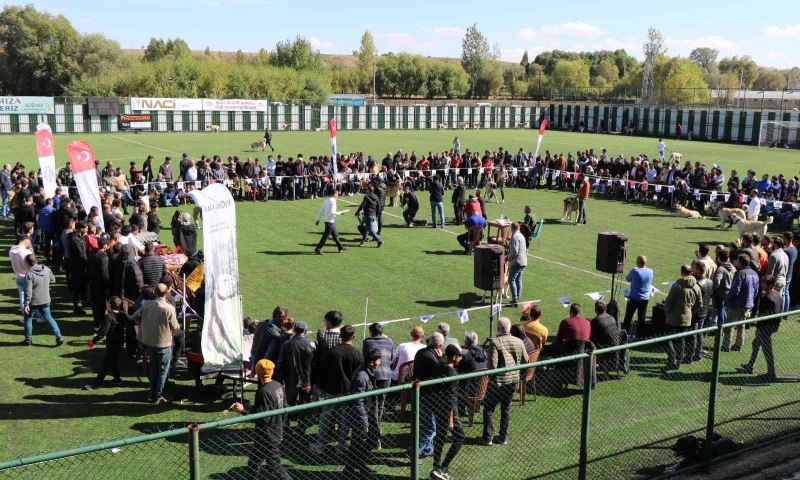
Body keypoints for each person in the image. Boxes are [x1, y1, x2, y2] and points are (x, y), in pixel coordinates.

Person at [229, 359, 291, 480]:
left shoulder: (263, 391)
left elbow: (262, 417)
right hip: (275, 429)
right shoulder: (278, 385)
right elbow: (284, 407)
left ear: (258, 372)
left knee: (274, 466)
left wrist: (243, 410)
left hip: (268, 435)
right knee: (254, 461)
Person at [311, 325, 363, 456]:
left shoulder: (332, 352)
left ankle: (320, 445)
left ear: (340, 335)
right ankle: (342, 447)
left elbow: (323, 371)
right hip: (348, 392)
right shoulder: (357, 354)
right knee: (345, 419)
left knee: (325, 417)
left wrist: (320, 386)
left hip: (332, 390)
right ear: (353, 337)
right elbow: (358, 375)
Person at [480, 317, 526, 446]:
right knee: (506, 409)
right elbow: (526, 360)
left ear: (498, 329)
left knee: (488, 408)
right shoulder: (519, 341)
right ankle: (503, 437)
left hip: (498, 382)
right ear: (509, 328)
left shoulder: (495, 342)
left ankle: (487, 437)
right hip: (513, 381)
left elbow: (492, 366)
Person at [132, 283, 179, 403]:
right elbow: (175, 327)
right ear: (167, 292)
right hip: (164, 344)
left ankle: (152, 395)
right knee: (162, 371)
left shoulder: (146, 304)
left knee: (154, 369)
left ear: (155, 291)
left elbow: (135, 317)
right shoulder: (169, 308)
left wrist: (144, 328)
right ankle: (158, 396)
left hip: (150, 342)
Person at [344, 347, 382, 476]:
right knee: (359, 443)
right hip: (360, 416)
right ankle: (351, 468)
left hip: (366, 413)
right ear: (371, 362)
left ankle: (356, 466)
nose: (380, 362)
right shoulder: (362, 376)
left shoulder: (367, 371)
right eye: (379, 360)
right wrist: (364, 423)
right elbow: (358, 402)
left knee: (363, 441)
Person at [430, 344, 465, 480]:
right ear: (454, 357)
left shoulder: (438, 367)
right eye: (459, 356)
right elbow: (450, 398)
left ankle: (435, 468)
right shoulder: (453, 374)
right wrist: (451, 419)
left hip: (437, 406)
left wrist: (440, 357)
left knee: (440, 436)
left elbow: (441, 362)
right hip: (448, 410)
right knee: (459, 437)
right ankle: (442, 468)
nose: (461, 359)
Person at [739, 275, 782, 380]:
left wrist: (753, 320)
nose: (762, 284)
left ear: (770, 285)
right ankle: (750, 366)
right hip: (773, 325)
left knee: (767, 350)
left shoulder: (766, 298)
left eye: (764, 283)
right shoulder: (776, 294)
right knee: (756, 343)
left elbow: (764, 315)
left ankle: (771, 373)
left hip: (765, 327)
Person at [83, 296, 130, 390]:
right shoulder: (123, 315)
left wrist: (92, 342)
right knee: (113, 361)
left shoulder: (108, 317)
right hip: (120, 342)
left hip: (112, 343)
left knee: (105, 364)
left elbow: (102, 333)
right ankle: (118, 379)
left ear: (109, 305)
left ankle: (95, 384)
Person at [663, 265, 703, 371]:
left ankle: (672, 359)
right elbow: (700, 304)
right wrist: (690, 312)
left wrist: (667, 312)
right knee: (681, 340)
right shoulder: (696, 286)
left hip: (673, 318)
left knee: (667, 339)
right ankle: (678, 361)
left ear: (682, 273)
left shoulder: (677, 285)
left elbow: (669, 302)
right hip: (686, 318)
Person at [277, 321, 314, 430]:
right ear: (305, 331)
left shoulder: (286, 344)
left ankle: (285, 426)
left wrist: (280, 379)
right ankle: (302, 428)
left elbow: (280, 363)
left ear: (294, 330)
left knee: (288, 404)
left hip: (290, 380)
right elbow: (314, 363)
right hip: (306, 380)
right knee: (304, 405)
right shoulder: (311, 344)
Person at [362, 323, 393, 449]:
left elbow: (365, 358)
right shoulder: (389, 341)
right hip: (386, 375)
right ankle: (376, 432)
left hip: (374, 375)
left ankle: (374, 435)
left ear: (371, 332)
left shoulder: (367, 342)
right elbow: (392, 357)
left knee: (372, 406)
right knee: (380, 405)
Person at [21, 254, 63, 347]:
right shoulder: (46, 269)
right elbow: (53, 280)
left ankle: (28, 340)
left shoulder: (29, 274)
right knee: (49, 318)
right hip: (45, 299)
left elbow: (28, 290)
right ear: (36, 260)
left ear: (28, 263)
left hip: (33, 301)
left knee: (28, 319)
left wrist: (26, 303)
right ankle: (59, 336)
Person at [724, 254, 760, 352]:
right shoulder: (755, 274)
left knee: (729, 325)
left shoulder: (740, 273)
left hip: (736, 304)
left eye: (737, 261)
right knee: (741, 325)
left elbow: (735, 290)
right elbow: (756, 291)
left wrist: (728, 299)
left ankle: (727, 345)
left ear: (740, 262)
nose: (735, 262)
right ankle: (739, 345)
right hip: (748, 304)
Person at [622, 255, 653, 337]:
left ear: (638, 262)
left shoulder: (635, 271)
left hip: (634, 298)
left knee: (628, 318)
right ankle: (639, 336)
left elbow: (628, 279)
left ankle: (624, 335)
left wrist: (634, 270)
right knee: (641, 319)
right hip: (645, 299)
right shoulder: (650, 271)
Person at [688, 261, 713, 363]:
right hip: (705, 311)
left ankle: (690, 356)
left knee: (693, 334)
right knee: (699, 333)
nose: (692, 270)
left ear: (698, 270)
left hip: (696, 312)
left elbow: (695, 301)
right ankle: (698, 353)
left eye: (694, 269)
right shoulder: (710, 281)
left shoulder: (698, 284)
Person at [314, 190, 348, 255]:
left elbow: (321, 210)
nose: (338, 196)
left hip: (328, 221)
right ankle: (318, 249)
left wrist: (318, 219)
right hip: (330, 222)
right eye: (337, 194)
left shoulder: (326, 200)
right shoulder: (333, 201)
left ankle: (340, 247)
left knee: (335, 235)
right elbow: (333, 212)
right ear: (334, 194)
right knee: (325, 237)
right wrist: (341, 213)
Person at [10, 237, 33, 318]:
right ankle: (39, 316)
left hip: (18, 277)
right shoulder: (26, 252)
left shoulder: (11, 250)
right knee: (33, 297)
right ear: (25, 241)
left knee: (22, 297)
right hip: (27, 277)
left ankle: (25, 316)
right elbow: (31, 265)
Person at [508, 222, 528, 305]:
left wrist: (508, 257)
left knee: (511, 280)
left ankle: (515, 299)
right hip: (523, 261)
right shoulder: (521, 236)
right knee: (518, 280)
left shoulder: (515, 236)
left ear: (513, 228)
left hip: (517, 262)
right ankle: (517, 297)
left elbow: (515, 251)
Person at [765, 237, 789, 301]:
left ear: (775, 244)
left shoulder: (774, 255)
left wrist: (767, 286)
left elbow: (770, 273)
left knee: (771, 302)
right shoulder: (785, 255)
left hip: (775, 283)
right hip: (783, 280)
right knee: (778, 301)